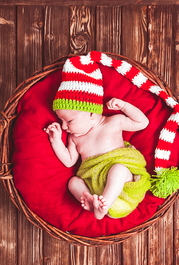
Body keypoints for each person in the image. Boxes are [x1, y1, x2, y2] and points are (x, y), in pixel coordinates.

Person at [45, 53, 151, 220]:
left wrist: (123, 106)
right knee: (73, 182)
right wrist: (56, 140)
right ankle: (90, 201)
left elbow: (142, 122)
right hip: (96, 186)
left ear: (91, 113)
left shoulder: (113, 123)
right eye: (61, 121)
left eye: (69, 120)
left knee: (118, 169)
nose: (64, 127)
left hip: (124, 187)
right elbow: (69, 161)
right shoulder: (75, 138)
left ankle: (105, 204)